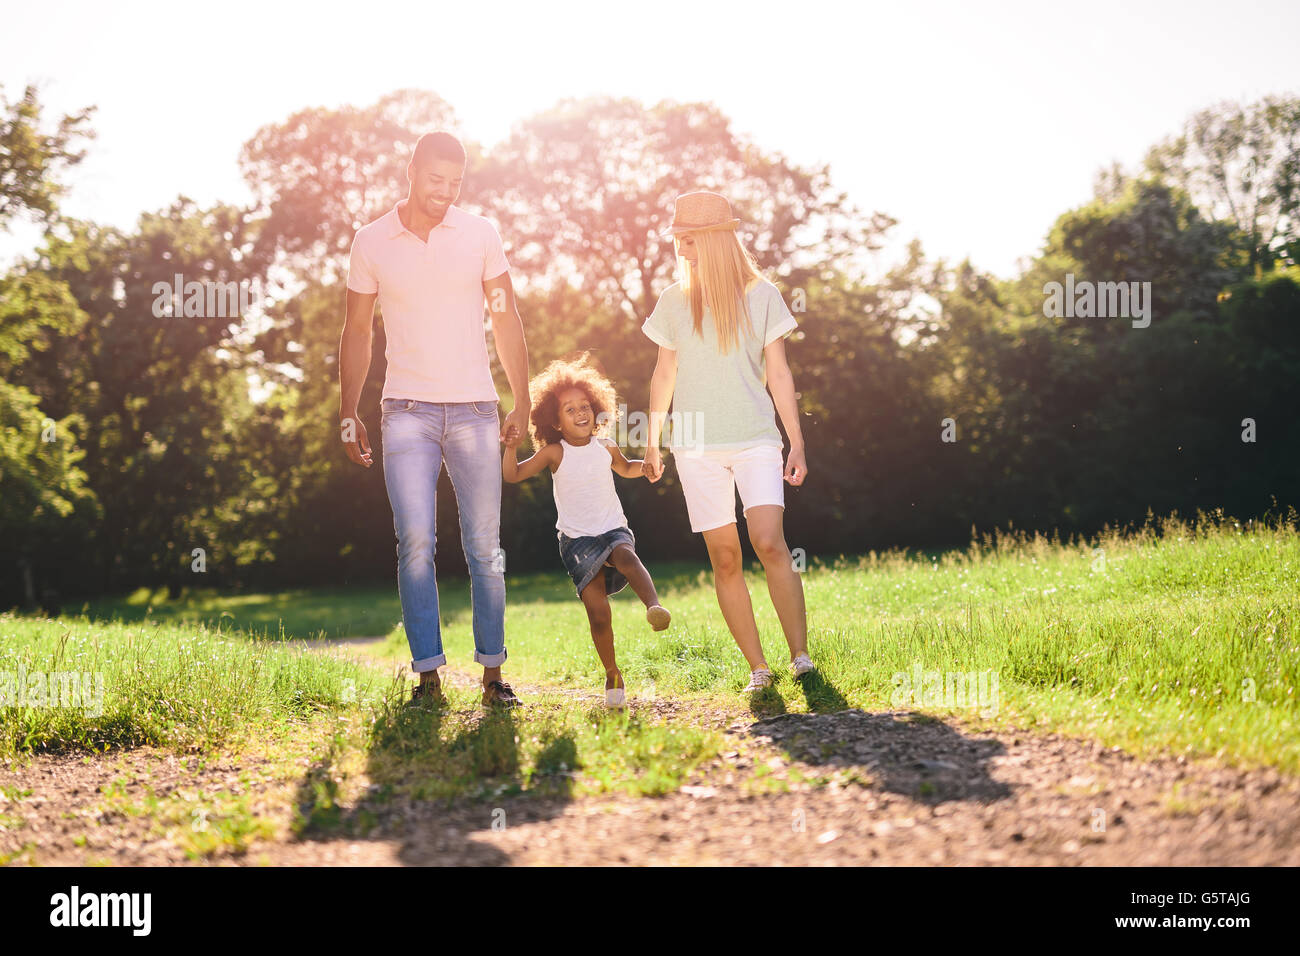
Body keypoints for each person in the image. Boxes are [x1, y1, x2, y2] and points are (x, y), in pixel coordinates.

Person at [339, 130, 530, 709]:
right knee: (416, 541)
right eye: (435, 180)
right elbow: (356, 332)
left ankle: (493, 676)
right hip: (405, 412)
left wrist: (520, 396)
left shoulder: (480, 235)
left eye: (455, 183)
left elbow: (505, 315)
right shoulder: (371, 241)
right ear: (411, 171)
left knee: (485, 545)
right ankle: (428, 678)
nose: (445, 192)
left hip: (475, 409)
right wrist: (348, 410)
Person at [641, 190, 812, 693]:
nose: (681, 250)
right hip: (693, 445)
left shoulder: (762, 296)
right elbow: (662, 372)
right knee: (725, 558)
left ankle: (800, 656)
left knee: (768, 542)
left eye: (689, 240)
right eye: (678, 240)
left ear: (715, 240)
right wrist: (652, 440)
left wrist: (796, 442)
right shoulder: (674, 300)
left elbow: (779, 375)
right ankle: (760, 668)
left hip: (756, 436)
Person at [503, 354, 671, 708]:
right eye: (569, 409)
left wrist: (648, 466)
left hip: (612, 529)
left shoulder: (604, 446)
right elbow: (513, 475)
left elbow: (626, 468)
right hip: (577, 542)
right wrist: (507, 446)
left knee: (625, 555)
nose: (581, 413)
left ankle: (654, 606)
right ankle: (612, 672)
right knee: (598, 614)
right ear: (555, 420)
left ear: (596, 408)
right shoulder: (554, 453)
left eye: (585, 406)